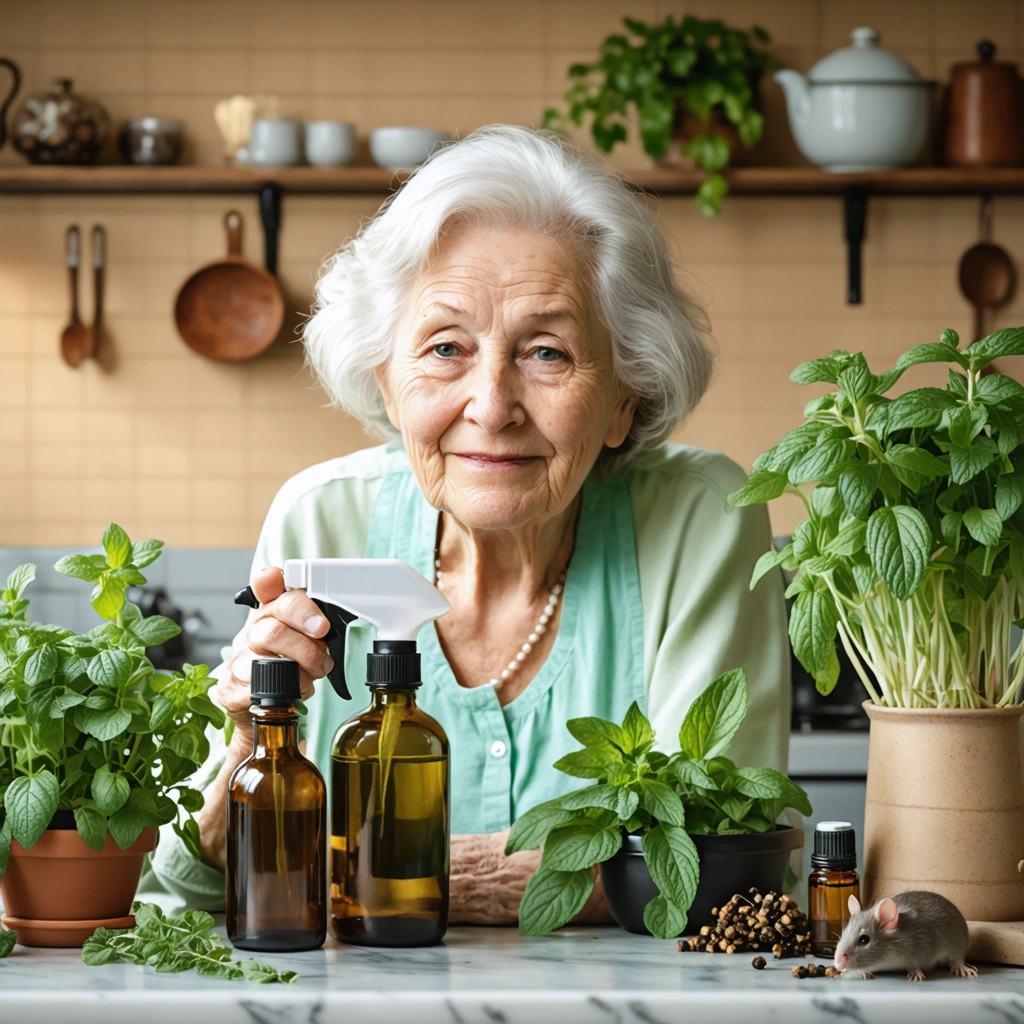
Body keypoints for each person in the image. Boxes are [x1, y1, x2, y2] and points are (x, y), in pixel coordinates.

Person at [143, 125, 789, 923]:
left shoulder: (700, 518)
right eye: (447, 348)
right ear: (387, 379)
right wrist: (249, 742)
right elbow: (196, 883)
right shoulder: (322, 517)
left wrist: (379, 872)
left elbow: (713, 855)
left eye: (547, 353)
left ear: (627, 394)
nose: (492, 406)